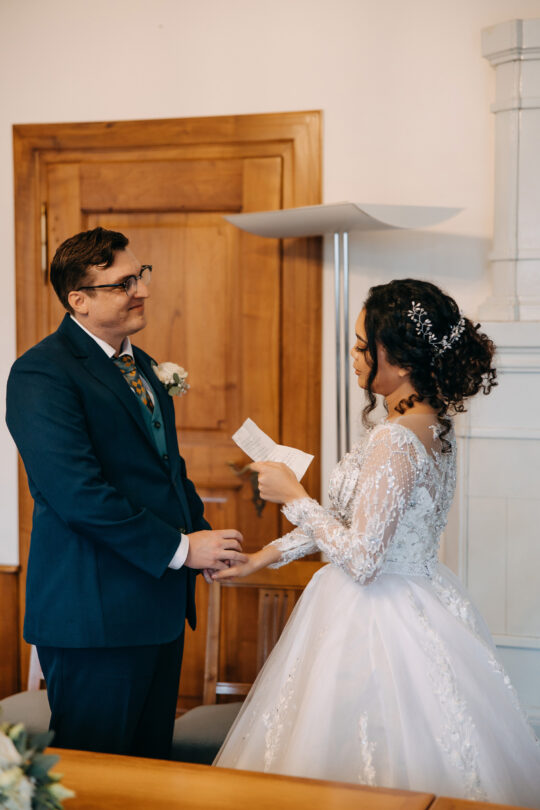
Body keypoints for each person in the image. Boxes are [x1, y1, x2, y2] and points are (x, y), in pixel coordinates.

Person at [213, 279, 540, 806]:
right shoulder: (428, 422)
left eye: (364, 346)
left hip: (375, 618)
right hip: (419, 596)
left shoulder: (395, 436)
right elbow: (349, 521)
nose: (354, 354)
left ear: (401, 359)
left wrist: (294, 496)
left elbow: (363, 559)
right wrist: (262, 558)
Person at [6, 227, 246, 759]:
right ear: (79, 300)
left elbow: (167, 471)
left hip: (156, 607)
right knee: (100, 777)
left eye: (141, 276)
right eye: (123, 284)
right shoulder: (42, 372)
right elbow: (78, 494)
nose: (143, 291)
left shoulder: (144, 367)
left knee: (149, 770)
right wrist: (181, 549)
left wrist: (204, 539)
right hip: (94, 615)